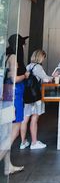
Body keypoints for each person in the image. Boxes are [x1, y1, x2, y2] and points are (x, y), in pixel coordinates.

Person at [4, 34, 29, 175]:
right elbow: (14, 78)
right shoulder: (14, 58)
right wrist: (25, 76)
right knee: (15, 129)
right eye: (23, 44)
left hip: (7, 93)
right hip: (15, 93)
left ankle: (8, 166)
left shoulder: (6, 56)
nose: (24, 46)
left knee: (7, 130)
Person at [20, 50, 52, 150]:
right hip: (35, 97)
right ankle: (34, 143)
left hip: (26, 96)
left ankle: (23, 142)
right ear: (40, 57)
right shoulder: (38, 67)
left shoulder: (29, 66)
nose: (44, 59)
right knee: (34, 118)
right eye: (43, 57)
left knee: (25, 119)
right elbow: (46, 79)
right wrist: (53, 77)